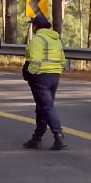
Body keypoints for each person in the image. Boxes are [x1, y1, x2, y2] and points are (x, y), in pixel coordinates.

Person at [22, 13, 67, 150]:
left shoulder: (37, 39)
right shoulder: (56, 40)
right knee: (42, 107)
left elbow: (35, 62)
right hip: (54, 76)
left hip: (41, 77)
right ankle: (37, 138)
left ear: (35, 26)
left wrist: (29, 74)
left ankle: (58, 135)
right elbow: (63, 60)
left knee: (46, 107)